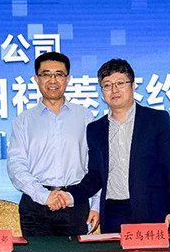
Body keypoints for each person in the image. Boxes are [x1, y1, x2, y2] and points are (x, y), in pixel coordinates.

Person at [54, 58, 170, 234]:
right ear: (102, 92)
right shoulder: (95, 129)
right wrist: (70, 196)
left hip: (152, 211)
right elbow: (95, 177)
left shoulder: (156, 120)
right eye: (107, 85)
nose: (114, 90)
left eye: (120, 83)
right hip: (112, 213)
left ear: (133, 86)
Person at [7, 52, 100, 236]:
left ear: (68, 79)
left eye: (59, 74)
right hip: (35, 206)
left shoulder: (85, 117)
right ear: (36, 79)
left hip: (75, 203)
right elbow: (15, 166)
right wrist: (44, 196)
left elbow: (95, 165)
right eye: (46, 74)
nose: (53, 80)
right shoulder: (23, 121)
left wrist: (96, 204)